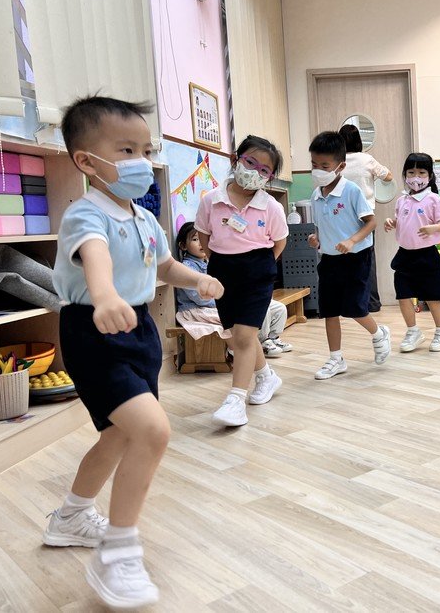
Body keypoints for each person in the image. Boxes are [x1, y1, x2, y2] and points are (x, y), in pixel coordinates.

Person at [45, 96, 223, 608]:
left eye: (146, 150)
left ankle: (71, 516)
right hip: (95, 330)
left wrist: (198, 279)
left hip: (138, 330)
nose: (141, 161)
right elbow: (95, 257)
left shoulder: (144, 219)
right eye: (126, 150)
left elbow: (163, 266)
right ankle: (118, 553)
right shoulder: (85, 213)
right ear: (87, 161)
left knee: (120, 436)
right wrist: (104, 296)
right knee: (152, 430)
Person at [194, 135, 289, 427]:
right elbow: (204, 236)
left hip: (258, 271)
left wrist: (260, 267)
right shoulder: (211, 200)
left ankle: (236, 399)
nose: (255, 172)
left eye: (264, 170)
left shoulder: (271, 206)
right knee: (236, 336)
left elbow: (280, 242)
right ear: (236, 159)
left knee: (246, 336)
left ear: (270, 177)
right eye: (250, 162)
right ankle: (266, 376)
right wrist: (219, 263)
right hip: (223, 270)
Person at [307, 130, 391, 379]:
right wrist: (316, 238)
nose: (318, 170)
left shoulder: (352, 191)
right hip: (329, 260)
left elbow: (371, 222)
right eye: (314, 164)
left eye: (324, 166)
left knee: (354, 308)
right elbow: (321, 226)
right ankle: (336, 359)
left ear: (340, 166)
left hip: (356, 259)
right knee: (329, 310)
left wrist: (352, 240)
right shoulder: (315, 195)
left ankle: (379, 334)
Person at [175, 222, 291, 357]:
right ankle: (261, 342)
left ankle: (272, 338)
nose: (201, 243)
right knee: (257, 312)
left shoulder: (211, 262)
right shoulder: (187, 268)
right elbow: (201, 299)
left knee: (278, 308)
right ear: (183, 245)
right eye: (195, 239)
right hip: (199, 310)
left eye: (203, 239)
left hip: (223, 302)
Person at [384, 152, 440, 352]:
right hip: (404, 255)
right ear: (405, 175)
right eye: (411, 172)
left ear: (429, 176)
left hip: (426, 256)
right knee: (403, 295)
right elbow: (402, 220)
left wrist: (433, 228)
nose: (416, 177)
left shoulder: (433, 199)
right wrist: (392, 222)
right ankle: (413, 331)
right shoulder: (402, 200)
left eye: (421, 172)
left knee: (432, 296)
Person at [338, 123, 392, 313]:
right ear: (359, 141)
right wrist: (371, 177)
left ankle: (349, 302)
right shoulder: (367, 160)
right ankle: (372, 302)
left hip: (342, 216)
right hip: (365, 218)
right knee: (367, 260)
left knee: (343, 260)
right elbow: (388, 176)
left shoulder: (337, 161)